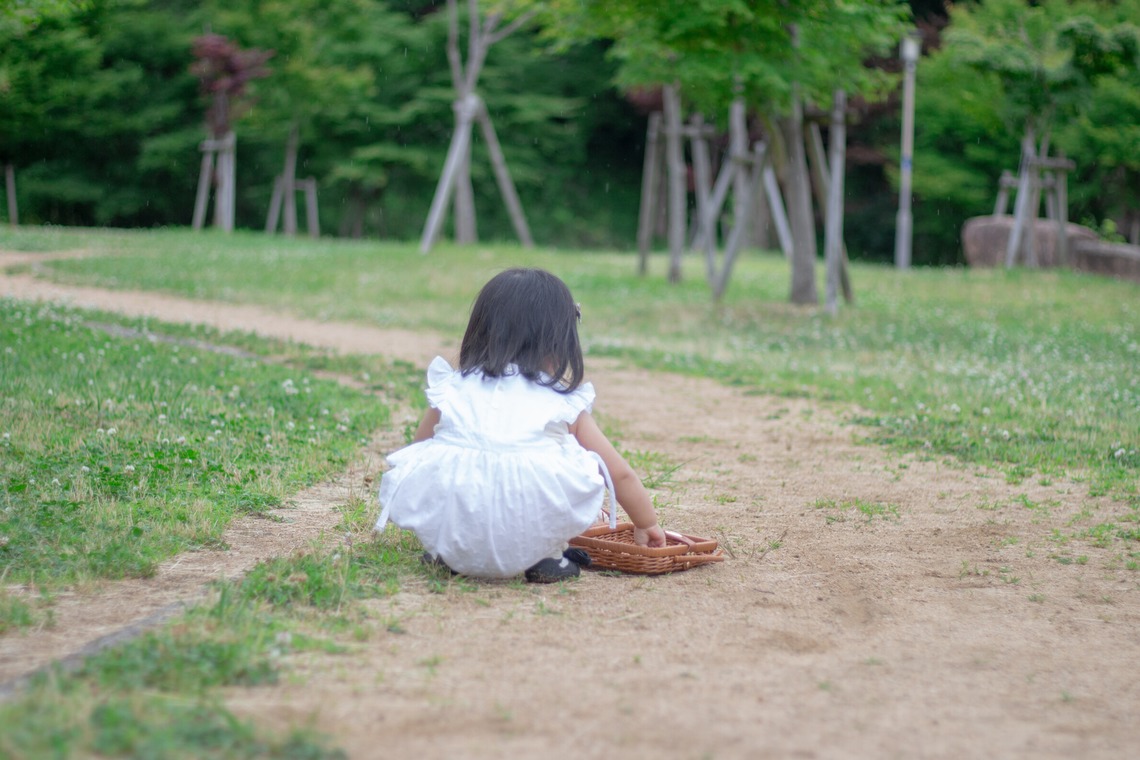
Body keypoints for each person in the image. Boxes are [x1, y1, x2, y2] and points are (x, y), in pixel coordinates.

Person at [375, 268, 666, 583]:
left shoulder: (453, 388)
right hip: (529, 528)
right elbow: (618, 473)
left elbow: (418, 453)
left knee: (442, 458)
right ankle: (546, 557)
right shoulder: (561, 402)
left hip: (454, 530)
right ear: (558, 339)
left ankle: (449, 553)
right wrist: (646, 523)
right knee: (568, 462)